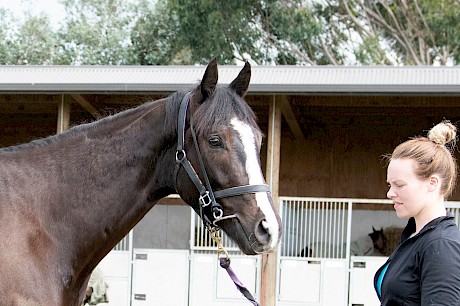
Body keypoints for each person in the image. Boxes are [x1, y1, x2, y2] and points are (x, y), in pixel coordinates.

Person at [374, 120, 460, 305]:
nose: (390, 193)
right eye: (390, 184)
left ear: (432, 183)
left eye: (400, 185)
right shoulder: (416, 235)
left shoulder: (441, 244)